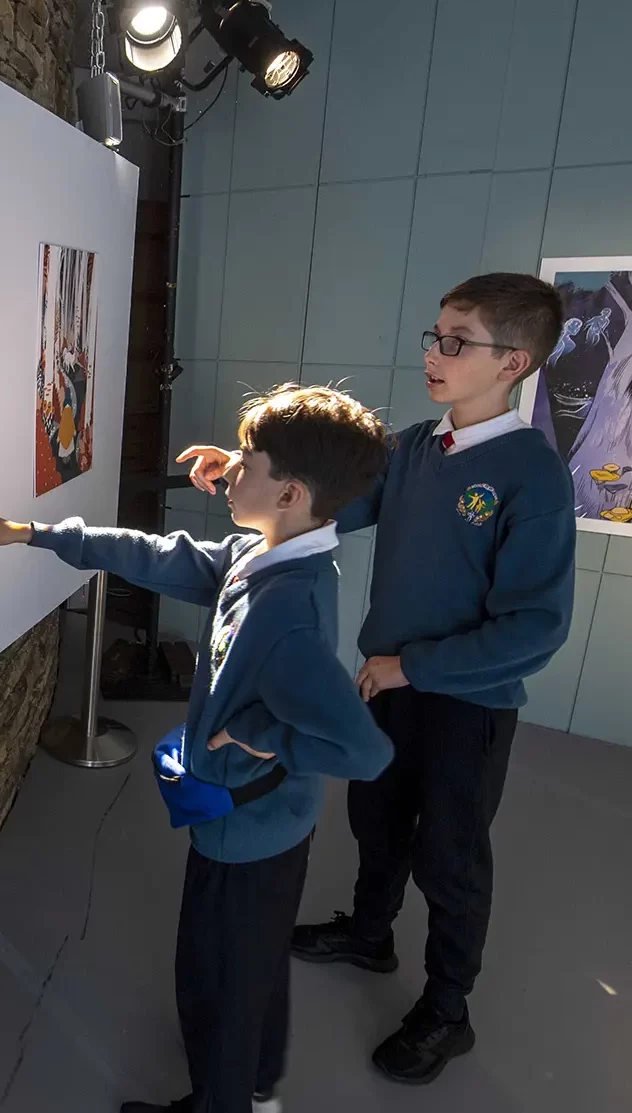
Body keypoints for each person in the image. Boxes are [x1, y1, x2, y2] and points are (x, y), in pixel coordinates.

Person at [179, 273, 576, 1086]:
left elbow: (536, 627)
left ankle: (447, 1009)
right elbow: (328, 504)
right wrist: (246, 476)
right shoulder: (416, 449)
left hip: (467, 702)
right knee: (377, 815)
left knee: (451, 855)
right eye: (434, 334)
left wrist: (414, 664)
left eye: (456, 341)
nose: (433, 353)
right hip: (386, 683)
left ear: (516, 361)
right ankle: (369, 929)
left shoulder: (533, 474)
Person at [0, 385, 394, 1113]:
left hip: (248, 833)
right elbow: (155, 554)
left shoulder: (286, 608)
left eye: (244, 463)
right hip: (260, 823)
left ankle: (223, 1099)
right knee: (253, 971)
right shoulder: (270, 551)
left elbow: (362, 750)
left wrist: (259, 733)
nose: (227, 473)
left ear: (287, 492)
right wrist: (33, 532)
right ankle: (255, 1082)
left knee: (216, 982)